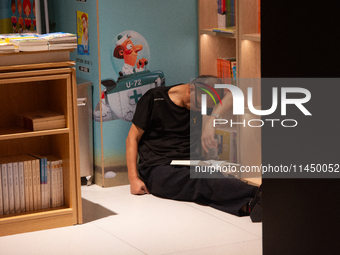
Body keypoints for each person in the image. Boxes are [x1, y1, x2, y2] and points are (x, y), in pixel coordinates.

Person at [126, 75, 262, 221]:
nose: (200, 109)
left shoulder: (203, 100)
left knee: (213, 178)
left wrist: (212, 120)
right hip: (158, 166)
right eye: (199, 105)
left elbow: (233, 95)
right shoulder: (154, 98)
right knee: (201, 180)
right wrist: (133, 179)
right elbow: (132, 139)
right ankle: (258, 193)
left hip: (190, 161)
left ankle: (249, 205)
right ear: (191, 88)